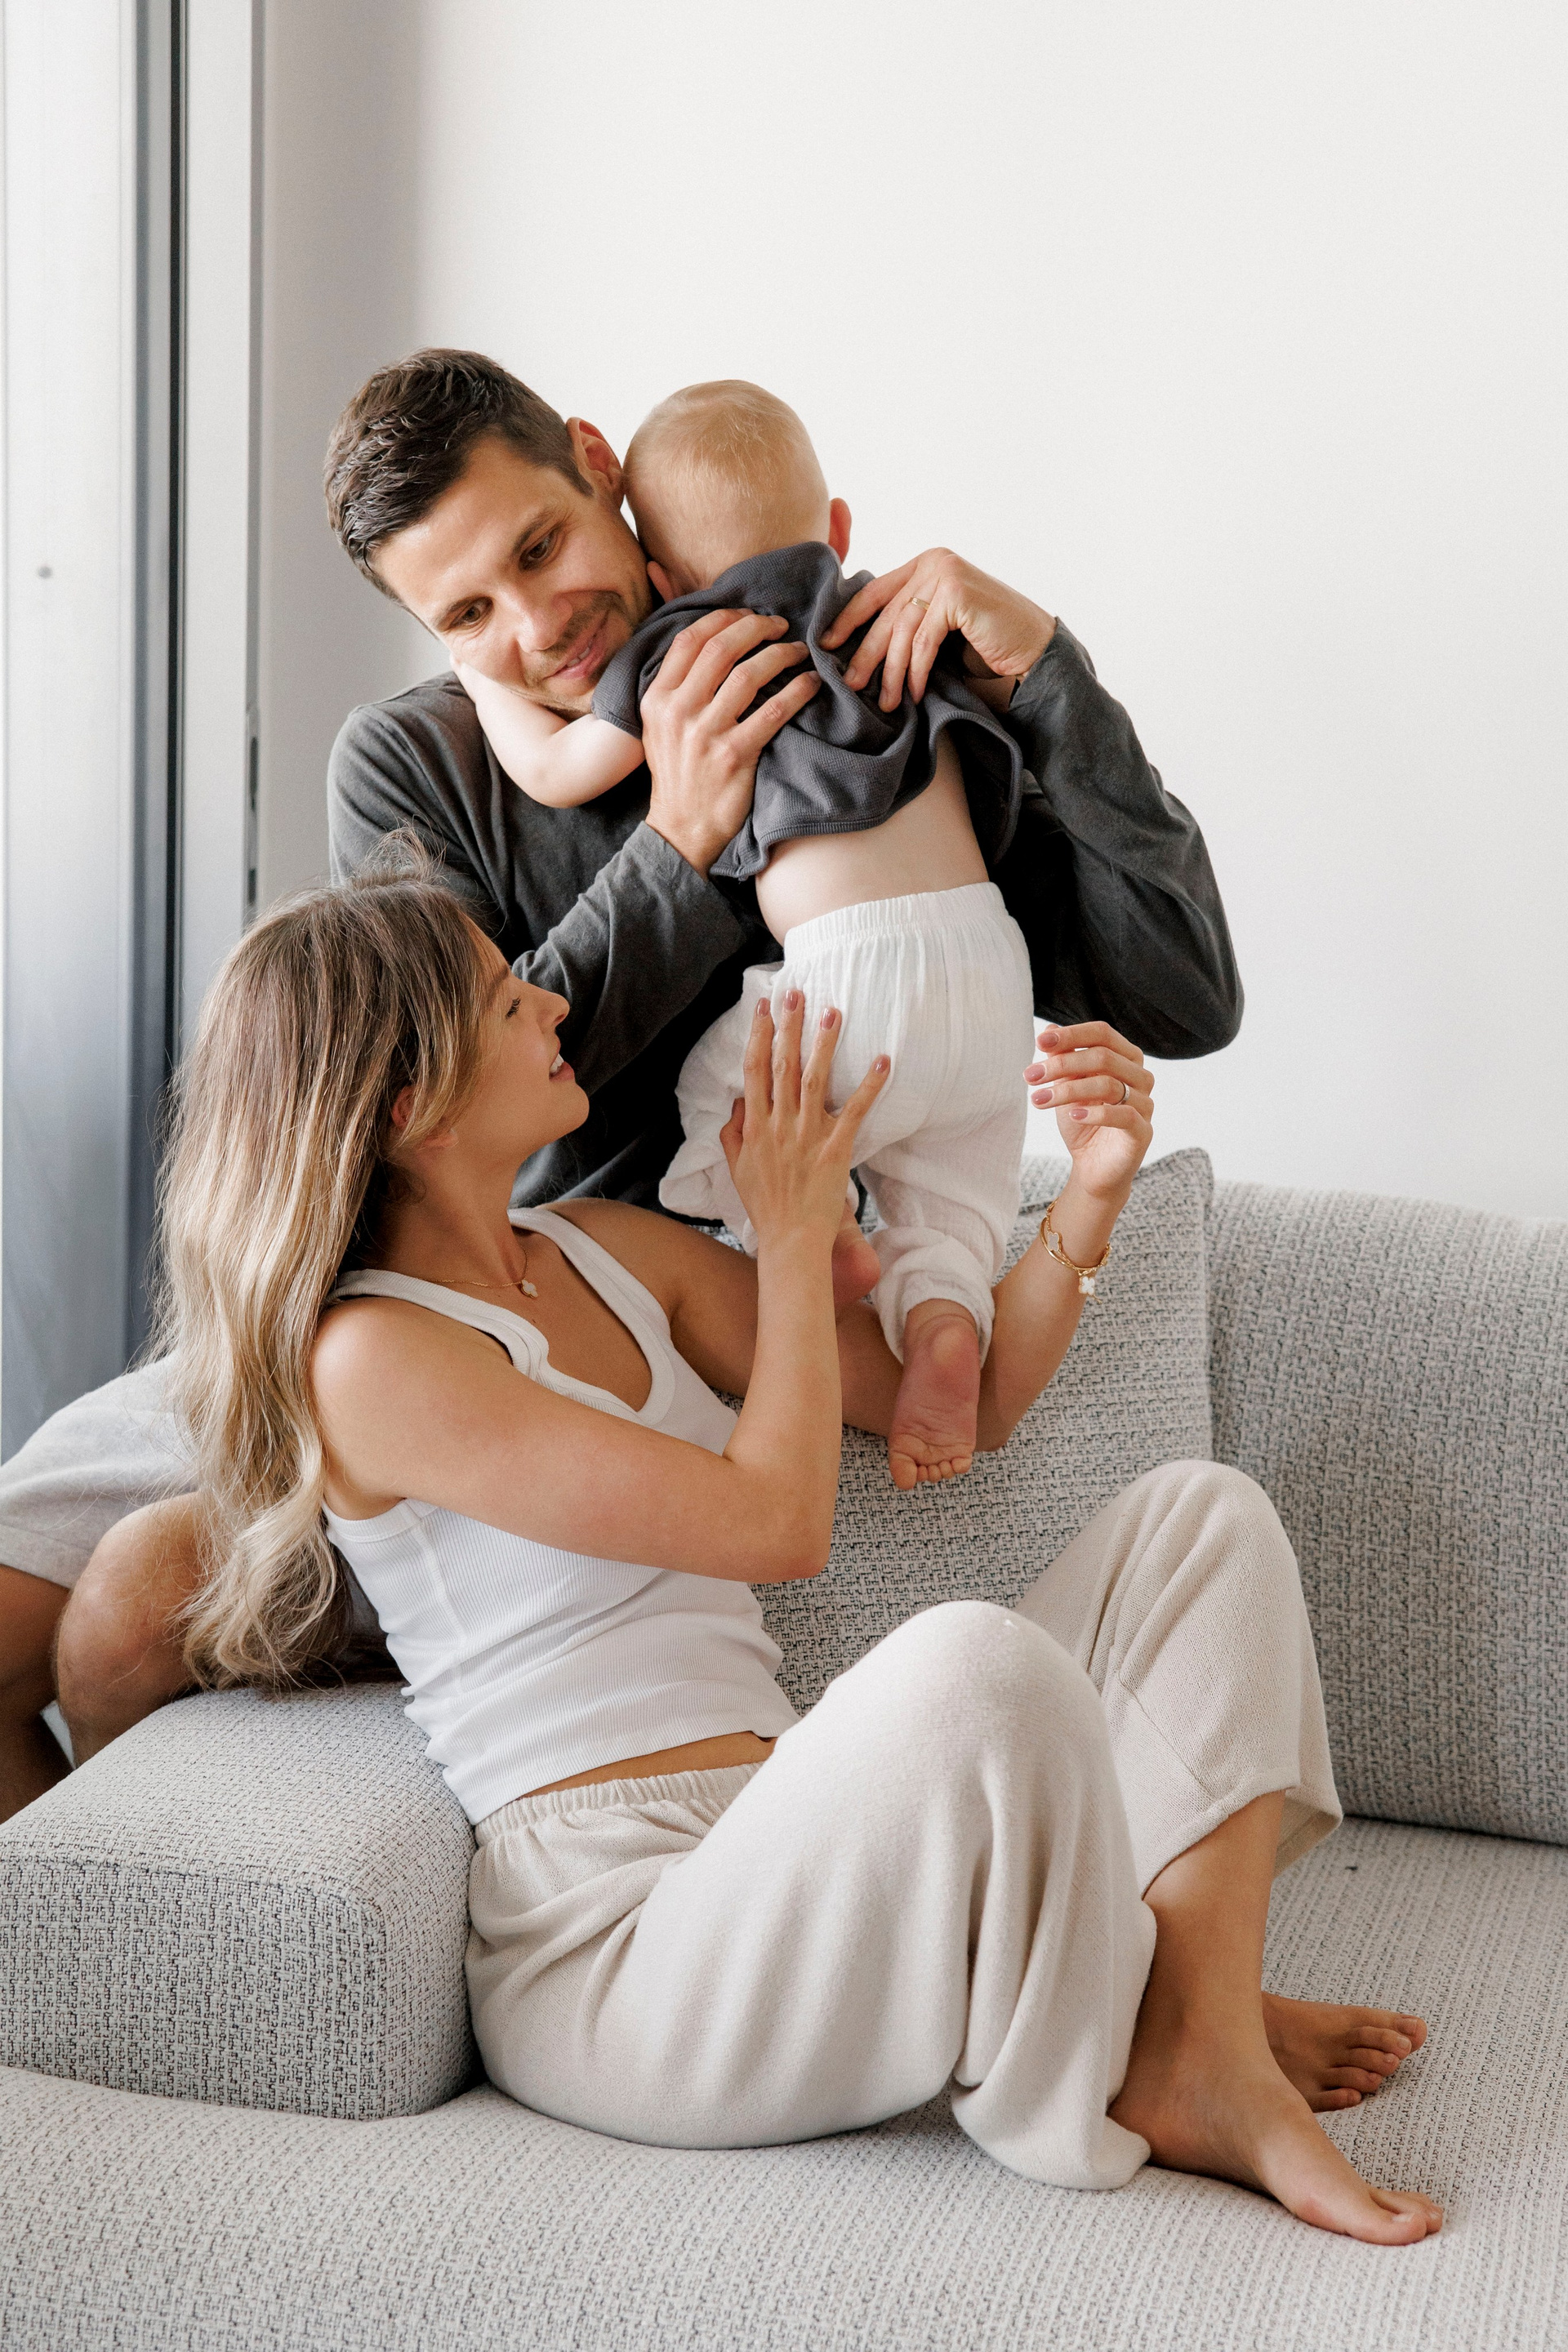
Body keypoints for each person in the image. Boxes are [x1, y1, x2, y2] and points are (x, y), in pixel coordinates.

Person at [0, 345, 1241, 1812]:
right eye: (468, 614)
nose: (538, 628)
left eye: (540, 548)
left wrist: (1045, 668)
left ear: (597, 463)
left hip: (611, 1326)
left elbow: (1185, 992)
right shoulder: (416, 766)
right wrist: (680, 841)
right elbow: (441, 1115)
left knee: (132, 1606)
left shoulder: (846, 678)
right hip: (424, 1296)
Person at [149, 854, 1436, 2243]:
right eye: (503, 999)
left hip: (778, 1831)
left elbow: (964, 1408)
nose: (550, 1002)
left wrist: (1091, 1198)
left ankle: (1192, 2020)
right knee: (970, 1666)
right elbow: (779, 1523)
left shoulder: (605, 1251)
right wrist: (793, 1235)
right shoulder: (370, 1359)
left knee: (1204, 1522)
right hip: (625, 1950)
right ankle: (1169, 2027)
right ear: (412, 1108)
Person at [462, 377, 1040, 1492]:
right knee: (957, 1191)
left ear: (663, 579)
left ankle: (809, 1241)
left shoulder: (688, 647)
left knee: (718, 1101)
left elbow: (555, 768)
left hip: (851, 979)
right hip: (991, 977)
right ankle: (945, 1320)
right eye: (471, 615)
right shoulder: (897, 626)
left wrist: (482, 690)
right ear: (837, 531)